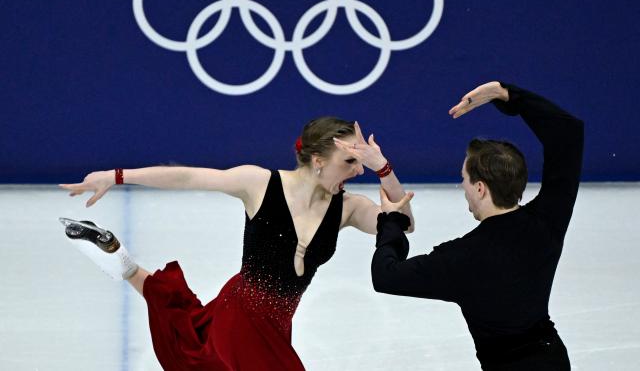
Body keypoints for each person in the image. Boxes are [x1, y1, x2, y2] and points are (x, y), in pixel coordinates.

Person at [59, 117, 414, 371]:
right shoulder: (259, 183)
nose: (359, 170)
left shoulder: (348, 208)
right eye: (350, 161)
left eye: (362, 162)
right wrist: (117, 177)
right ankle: (125, 266)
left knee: (195, 346)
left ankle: (122, 263)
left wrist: (384, 168)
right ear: (318, 161)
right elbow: (188, 177)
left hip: (275, 323)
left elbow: (403, 223)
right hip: (242, 316)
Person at [371, 81, 583, 370]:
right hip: (553, 360)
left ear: (481, 188)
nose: (462, 186)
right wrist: (505, 94)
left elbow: (385, 275)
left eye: (465, 179)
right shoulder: (547, 220)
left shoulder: (459, 258)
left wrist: (392, 221)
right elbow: (568, 133)